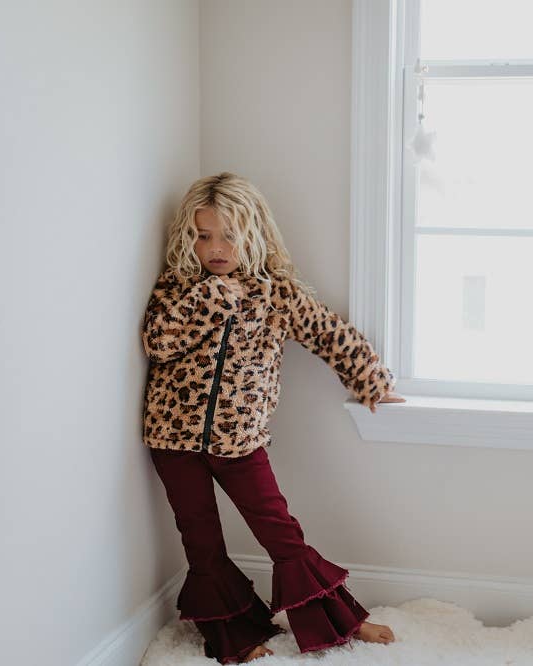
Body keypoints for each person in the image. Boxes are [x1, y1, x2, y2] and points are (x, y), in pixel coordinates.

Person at [140, 171, 405, 663]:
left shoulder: (275, 294)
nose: (216, 247)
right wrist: (209, 299)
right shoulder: (179, 288)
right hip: (171, 439)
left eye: (229, 235)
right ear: (188, 238)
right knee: (201, 542)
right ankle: (231, 639)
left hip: (239, 442)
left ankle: (344, 620)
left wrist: (371, 380)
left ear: (253, 233)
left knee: (282, 534)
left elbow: (328, 333)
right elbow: (158, 340)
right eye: (203, 235)